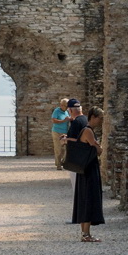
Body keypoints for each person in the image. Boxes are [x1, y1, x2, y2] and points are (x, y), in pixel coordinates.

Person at [69, 109, 104, 241]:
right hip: (89, 169)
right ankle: (86, 234)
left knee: (85, 198)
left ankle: (85, 233)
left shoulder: (85, 130)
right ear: (93, 117)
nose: (101, 121)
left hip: (85, 169)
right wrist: (98, 146)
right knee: (89, 198)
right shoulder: (88, 131)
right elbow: (98, 150)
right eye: (100, 118)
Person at [50, 99, 74, 168]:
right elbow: (53, 120)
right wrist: (63, 120)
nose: (67, 107)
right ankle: (58, 164)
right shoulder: (57, 111)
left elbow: (69, 118)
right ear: (61, 105)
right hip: (57, 132)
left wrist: (70, 119)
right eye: (66, 106)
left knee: (66, 149)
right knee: (58, 149)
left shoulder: (67, 111)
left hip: (65, 132)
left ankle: (64, 162)